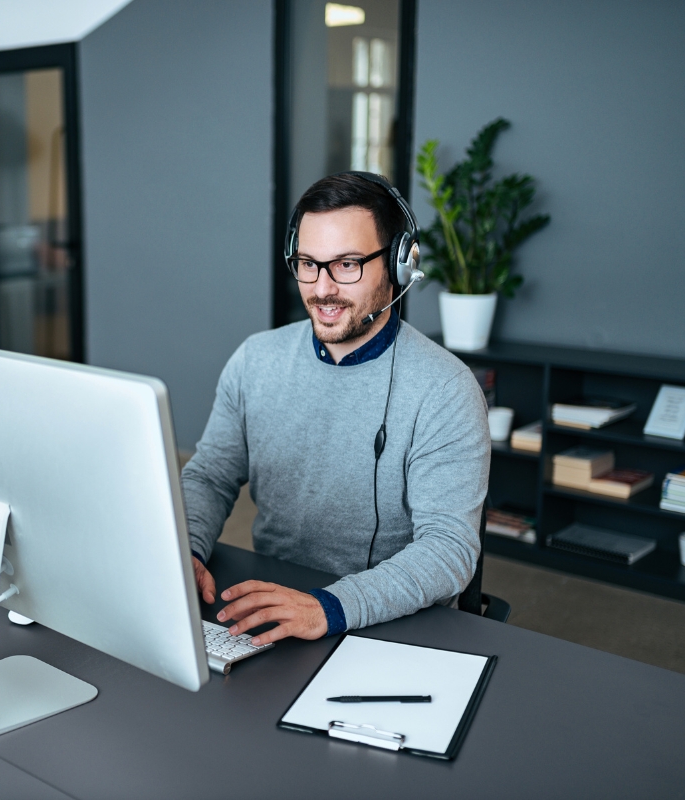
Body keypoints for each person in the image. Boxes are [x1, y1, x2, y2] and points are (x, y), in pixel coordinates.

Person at [181, 172, 490, 646]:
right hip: (274, 602)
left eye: (347, 264)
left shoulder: (445, 388)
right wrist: (186, 548)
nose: (323, 288)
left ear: (397, 264)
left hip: (391, 621)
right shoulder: (255, 359)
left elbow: (448, 548)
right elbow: (210, 475)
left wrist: (330, 607)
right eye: (308, 263)